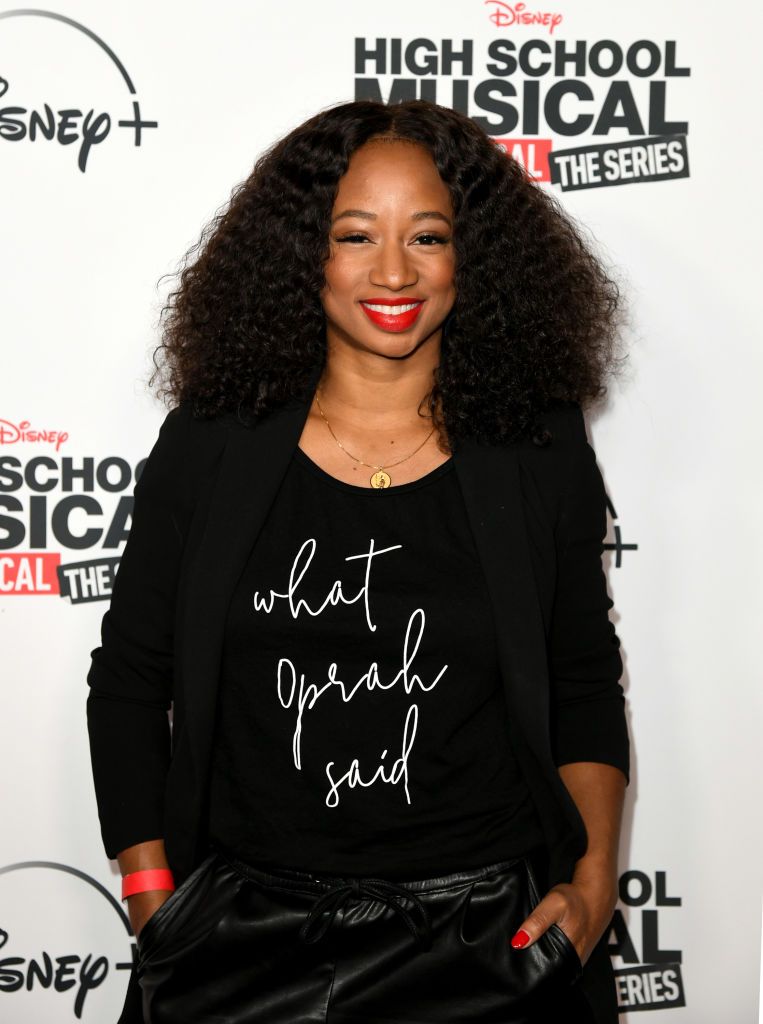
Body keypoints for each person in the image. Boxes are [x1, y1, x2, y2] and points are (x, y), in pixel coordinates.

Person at [86, 98, 630, 1024]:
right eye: (354, 236)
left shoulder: (537, 446)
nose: (393, 271)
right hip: (240, 943)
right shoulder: (213, 441)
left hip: (488, 945)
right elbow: (133, 679)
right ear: (305, 253)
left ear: (471, 256)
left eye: (427, 236)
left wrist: (591, 886)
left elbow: (581, 679)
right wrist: (152, 902)